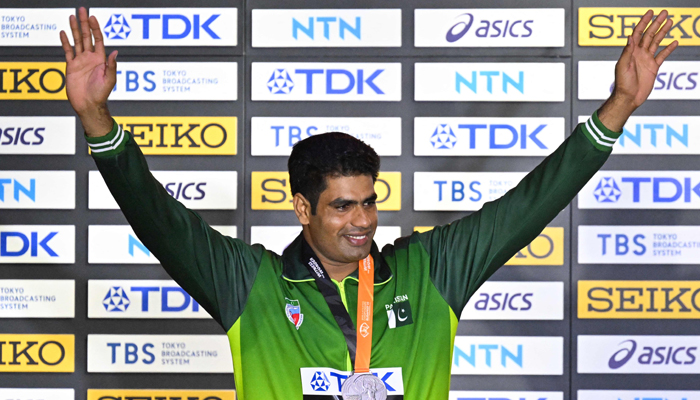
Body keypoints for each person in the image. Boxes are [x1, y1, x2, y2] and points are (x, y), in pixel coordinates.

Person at [60, 7, 677, 400]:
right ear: (302, 209)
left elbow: (531, 203)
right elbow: (156, 217)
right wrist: (95, 118)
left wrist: (618, 105)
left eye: (369, 203)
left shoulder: (429, 270)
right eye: (341, 207)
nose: (362, 222)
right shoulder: (250, 283)